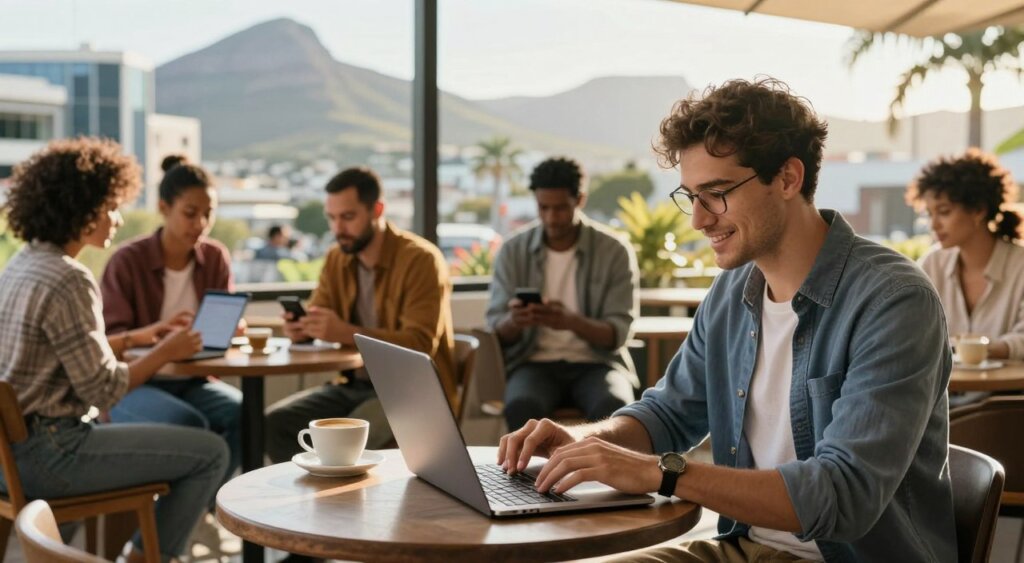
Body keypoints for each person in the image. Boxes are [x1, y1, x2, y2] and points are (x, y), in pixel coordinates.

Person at [498, 78, 956, 562]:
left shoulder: (893, 301)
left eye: (716, 193)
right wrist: (585, 442)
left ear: (787, 178)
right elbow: (670, 413)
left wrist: (664, 472)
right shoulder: (734, 290)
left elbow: (843, 497)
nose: (697, 219)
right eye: (691, 196)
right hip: (744, 546)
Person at [0, 138, 229, 563]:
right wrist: (166, 350)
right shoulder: (70, 279)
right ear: (79, 210)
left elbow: (63, 353)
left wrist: (135, 338)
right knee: (210, 452)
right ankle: (142, 558)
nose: (118, 219)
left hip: (9, 454)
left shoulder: (23, 264)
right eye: (109, 207)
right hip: (53, 453)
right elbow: (103, 390)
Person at [99, 155, 242, 553]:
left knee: (246, 415)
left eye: (208, 214)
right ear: (164, 208)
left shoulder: (214, 258)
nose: (199, 224)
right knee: (190, 423)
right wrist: (164, 345)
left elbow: (221, 324)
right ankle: (149, 549)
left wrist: (229, 328)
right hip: (135, 386)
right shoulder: (127, 261)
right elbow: (109, 344)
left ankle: (191, 514)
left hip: (194, 380)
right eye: (190, 213)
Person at [264, 166, 456, 462]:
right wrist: (303, 328)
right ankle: (314, 506)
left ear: (377, 210)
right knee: (275, 422)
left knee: (345, 440)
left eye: (348, 217)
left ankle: (338, 505)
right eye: (332, 218)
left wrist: (344, 332)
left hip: (412, 394)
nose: (338, 228)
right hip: (353, 385)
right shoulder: (337, 258)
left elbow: (420, 344)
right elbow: (321, 312)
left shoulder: (421, 260)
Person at [486, 157, 640, 431]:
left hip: (598, 364)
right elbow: (495, 332)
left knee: (615, 407)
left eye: (560, 208)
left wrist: (570, 321)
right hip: (533, 363)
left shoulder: (614, 251)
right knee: (522, 406)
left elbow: (618, 334)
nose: (551, 218)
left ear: (579, 200)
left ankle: (603, 475)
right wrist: (515, 321)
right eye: (543, 208)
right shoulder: (513, 251)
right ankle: (530, 476)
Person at [909, 149, 1024, 361]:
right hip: (946, 392)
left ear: (978, 210)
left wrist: (973, 350)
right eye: (930, 214)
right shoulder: (932, 264)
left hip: (1009, 392)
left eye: (944, 212)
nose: (934, 225)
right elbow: (911, 329)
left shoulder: (1020, 264)